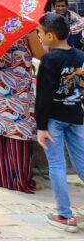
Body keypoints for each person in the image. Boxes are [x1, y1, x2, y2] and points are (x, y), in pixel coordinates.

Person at [35, 12, 84, 231]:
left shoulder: (49, 60)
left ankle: (64, 215)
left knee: (56, 165)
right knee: (82, 163)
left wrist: (41, 127)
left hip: (54, 119)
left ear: (51, 36)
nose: (38, 37)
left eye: (40, 33)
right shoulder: (80, 56)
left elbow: (43, 96)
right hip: (75, 115)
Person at [0, 31, 46, 193]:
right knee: (19, 132)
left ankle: (1, 178)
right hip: (17, 90)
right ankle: (19, 180)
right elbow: (40, 54)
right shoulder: (25, 27)